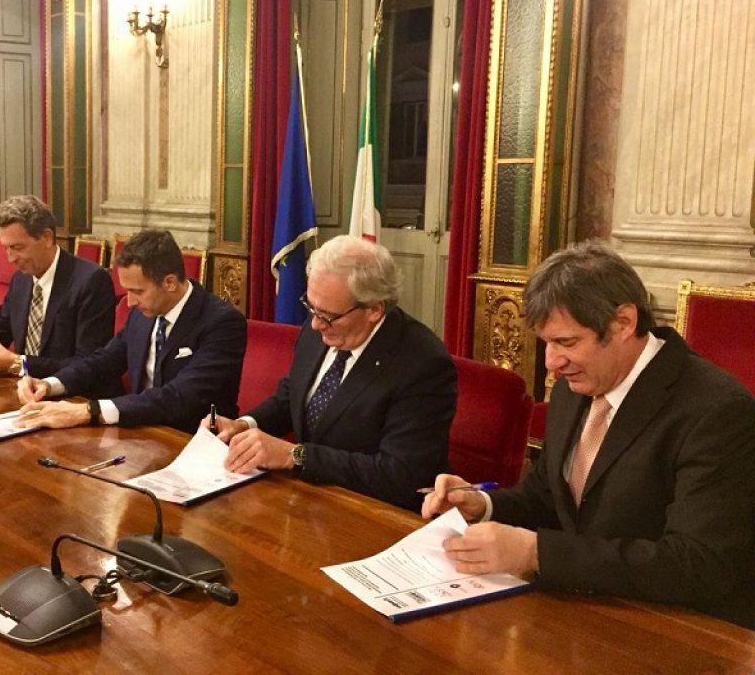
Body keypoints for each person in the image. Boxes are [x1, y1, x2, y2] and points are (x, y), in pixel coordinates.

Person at [422, 242, 755, 628]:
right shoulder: (576, 385)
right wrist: (482, 505)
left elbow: (697, 564)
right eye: (547, 342)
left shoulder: (716, 411)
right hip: (581, 610)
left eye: (566, 342)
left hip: (673, 628)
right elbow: (549, 496)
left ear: (623, 322)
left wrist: (536, 553)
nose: (552, 362)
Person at [213, 235, 456, 510]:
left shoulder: (422, 364)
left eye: (327, 315)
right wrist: (245, 425)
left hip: (372, 512)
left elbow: (399, 475)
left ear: (374, 309)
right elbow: (291, 397)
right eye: (311, 307)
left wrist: (296, 455)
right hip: (309, 498)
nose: (315, 324)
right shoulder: (323, 324)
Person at [14, 229, 246, 432]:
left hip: (191, 439)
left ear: (170, 282)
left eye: (137, 291)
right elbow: (104, 361)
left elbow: (179, 397)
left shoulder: (222, 323)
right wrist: (50, 384)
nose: (130, 302)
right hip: (138, 431)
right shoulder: (142, 312)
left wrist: (89, 411)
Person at [0, 195, 116, 381]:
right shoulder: (20, 280)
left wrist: (18, 364)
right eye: (6, 248)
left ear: (47, 238)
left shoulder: (91, 281)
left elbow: (87, 363)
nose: (10, 258)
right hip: (24, 387)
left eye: (18, 247)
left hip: (74, 391)